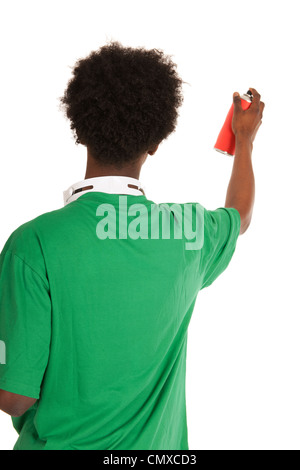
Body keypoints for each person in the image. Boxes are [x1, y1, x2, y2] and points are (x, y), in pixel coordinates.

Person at [0, 40, 264, 450]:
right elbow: (240, 216)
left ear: (79, 129)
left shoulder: (33, 245)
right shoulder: (189, 231)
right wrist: (244, 140)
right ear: (156, 141)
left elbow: (14, 398)